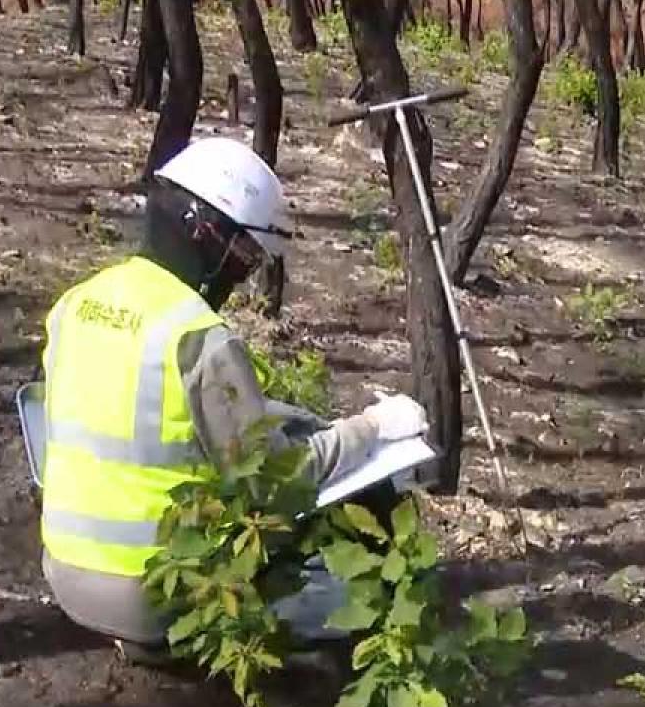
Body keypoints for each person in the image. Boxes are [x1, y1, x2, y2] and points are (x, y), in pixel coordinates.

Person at [37, 136, 427, 652]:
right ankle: (377, 642)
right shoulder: (196, 334)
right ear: (203, 230)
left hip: (65, 575)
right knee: (357, 488)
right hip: (156, 593)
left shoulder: (77, 303)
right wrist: (374, 429)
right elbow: (275, 478)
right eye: (243, 256)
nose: (242, 276)